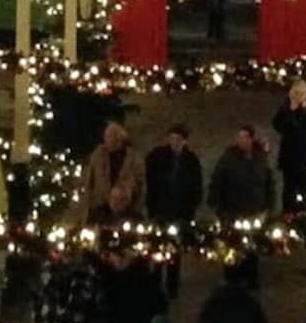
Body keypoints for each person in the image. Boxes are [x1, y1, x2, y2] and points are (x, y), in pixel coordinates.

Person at [144, 124, 204, 298]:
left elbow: (196, 187)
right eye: (171, 138)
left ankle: (172, 286)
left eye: (178, 139)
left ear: (185, 141)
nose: (174, 142)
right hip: (159, 209)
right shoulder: (156, 156)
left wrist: (190, 208)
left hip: (180, 212)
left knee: (175, 252)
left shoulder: (191, 160)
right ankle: (154, 284)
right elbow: (149, 181)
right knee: (156, 248)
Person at [270, 79, 306, 218]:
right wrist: (291, 112)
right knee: (289, 188)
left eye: (302, 93)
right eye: (296, 93)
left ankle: (302, 213)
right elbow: (278, 126)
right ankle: (288, 214)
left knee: (304, 187)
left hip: (305, 157)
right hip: (290, 157)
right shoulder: (285, 109)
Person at [208, 124, 277, 229]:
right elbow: (217, 180)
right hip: (233, 210)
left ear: (251, 139)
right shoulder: (228, 158)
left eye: (244, 137)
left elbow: (269, 183)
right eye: (239, 137)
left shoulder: (260, 159)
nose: (241, 140)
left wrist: (270, 206)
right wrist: (215, 203)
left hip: (256, 210)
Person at [81, 117, 142, 222]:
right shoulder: (98, 154)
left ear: (120, 140)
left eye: (111, 137)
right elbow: (89, 180)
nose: (107, 140)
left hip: (124, 209)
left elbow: (140, 182)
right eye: (106, 137)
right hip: (100, 206)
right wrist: (87, 205)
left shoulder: (133, 158)